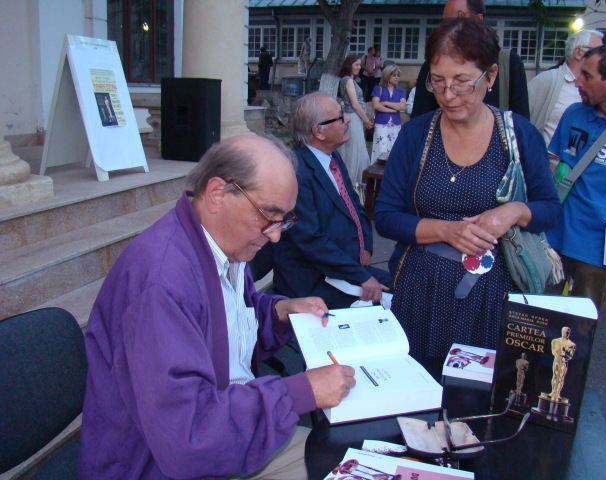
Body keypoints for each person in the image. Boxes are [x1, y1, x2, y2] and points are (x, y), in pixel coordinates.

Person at [79, 135, 357, 480]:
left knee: (348, 456)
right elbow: (188, 437)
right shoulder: (162, 282)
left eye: (284, 219)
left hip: (226, 434)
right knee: (345, 466)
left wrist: (279, 313)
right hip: (158, 466)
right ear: (216, 194)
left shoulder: (221, 244)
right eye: (269, 215)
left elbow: (226, 321)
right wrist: (302, 392)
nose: (276, 236)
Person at [374, 18, 561, 362]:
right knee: (418, 391)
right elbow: (385, 218)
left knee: (475, 397)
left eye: (461, 83)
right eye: (438, 81)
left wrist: (514, 211)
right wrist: (447, 230)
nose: (447, 95)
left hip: (492, 295)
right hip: (421, 292)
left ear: (489, 77)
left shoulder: (518, 135)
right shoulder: (416, 135)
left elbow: (550, 208)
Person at [273, 92, 391, 309]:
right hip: (312, 280)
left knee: (406, 290)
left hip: (342, 267)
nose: (347, 119)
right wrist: (361, 276)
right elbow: (310, 240)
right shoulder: (295, 171)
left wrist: (366, 246)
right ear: (318, 131)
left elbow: (355, 205)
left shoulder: (332, 157)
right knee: (391, 301)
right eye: (339, 117)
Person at [546, 43, 606, 310]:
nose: (577, 81)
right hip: (554, 237)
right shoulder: (574, 114)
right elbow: (555, 168)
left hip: (600, 248)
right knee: (538, 320)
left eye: (587, 76)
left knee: (578, 330)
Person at [411, 0, 530, 120]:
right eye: (439, 80)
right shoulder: (432, 65)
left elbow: (521, 122)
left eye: (462, 80)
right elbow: (418, 120)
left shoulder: (509, 64)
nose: (448, 96)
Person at [528, 29, 603, 145]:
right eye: (598, 52)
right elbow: (522, 119)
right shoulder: (547, 80)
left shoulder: (597, 86)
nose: (602, 57)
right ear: (578, 52)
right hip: (547, 161)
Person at [337, 53, 374, 185]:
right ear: (349, 65)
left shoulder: (348, 80)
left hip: (353, 118)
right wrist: (366, 120)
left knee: (354, 150)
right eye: (356, 64)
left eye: (360, 64)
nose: (359, 67)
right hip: (353, 118)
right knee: (356, 151)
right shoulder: (348, 80)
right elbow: (355, 104)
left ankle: (353, 183)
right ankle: (354, 183)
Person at [371, 65, 406, 164]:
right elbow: (376, 105)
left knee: (394, 149)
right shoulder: (379, 89)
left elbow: (402, 106)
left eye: (398, 75)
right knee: (381, 149)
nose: (396, 77)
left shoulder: (400, 91)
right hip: (382, 124)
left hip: (395, 125)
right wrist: (392, 110)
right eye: (394, 75)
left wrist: (385, 103)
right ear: (387, 76)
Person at [547, 327, 576, 402]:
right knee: (555, 375)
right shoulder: (555, 341)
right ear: (562, 331)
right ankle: (553, 391)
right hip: (557, 360)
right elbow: (553, 351)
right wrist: (560, 351)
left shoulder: (571, 344)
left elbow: (570, 356)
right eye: (565, 332)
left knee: (560, 377)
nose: (566, 334)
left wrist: (565, 353)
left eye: (568, 332)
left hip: (564, 361)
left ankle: (557, 392)